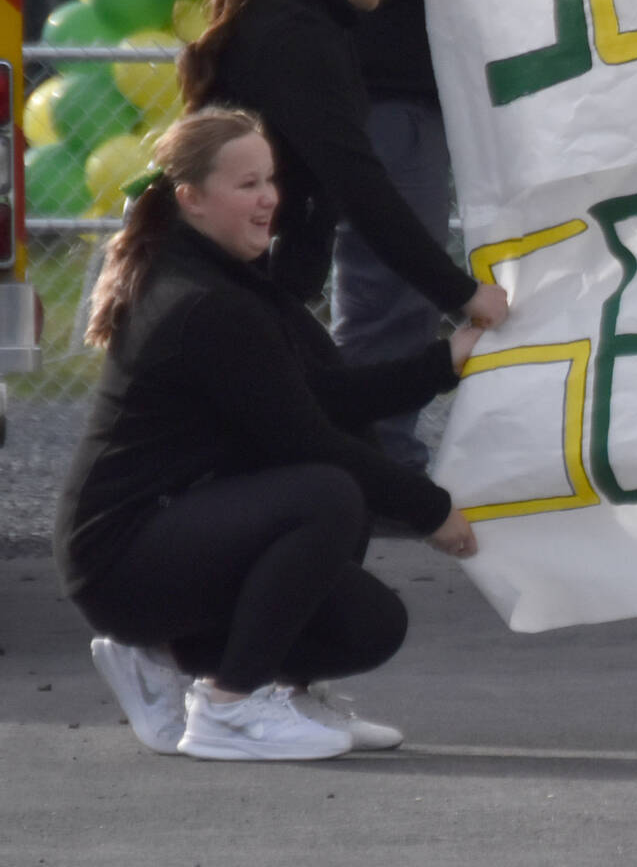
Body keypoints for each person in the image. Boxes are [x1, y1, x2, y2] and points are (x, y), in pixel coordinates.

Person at [54, 109, 483, 761]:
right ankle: (230, 705)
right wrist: (433, 509)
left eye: (270, 180)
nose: (270, 199)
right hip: (121, 558)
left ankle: (242, 676)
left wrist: (442, 361)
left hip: (172, 532)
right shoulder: (203, 301)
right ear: (192, 199)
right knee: (327, 491)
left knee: (372, 625)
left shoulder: (229, 279)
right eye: (247, 184)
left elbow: (323, 396)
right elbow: (306, 437)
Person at [178, 0, 508, 336]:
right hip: (224, 295)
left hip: (239, 287)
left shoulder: (299, 14)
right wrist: (463, 295)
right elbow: (359, 185)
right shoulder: (296, 35)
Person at [272, 0, 455, 471]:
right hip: (390, 94)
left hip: (359, 90)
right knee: (388, 282)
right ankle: (377, 455)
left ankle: (340, 443)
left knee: (332, 280)